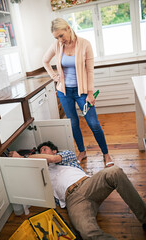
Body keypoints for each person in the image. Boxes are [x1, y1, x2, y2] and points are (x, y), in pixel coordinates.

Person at [9, 141, 146, 240]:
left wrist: (23, 157)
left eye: (44, 149)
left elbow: (51, 159)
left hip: (88, 185)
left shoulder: (66, 156)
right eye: (40, 152)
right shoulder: (41, 173)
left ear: (54, 150)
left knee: (114, 171)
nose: (41, 153)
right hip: (73, 201)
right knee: (87, 233)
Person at [42, 17, 113, 166]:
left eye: (61, 36)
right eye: (56, 37)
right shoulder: (57, 45)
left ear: (68, 28)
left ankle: (106, 154)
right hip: (64, 92)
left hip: (82, 92)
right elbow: (45, 60)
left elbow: (90, 71)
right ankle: (82, 152)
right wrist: (54, 77)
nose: (60, 40)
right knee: (73, 123)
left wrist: (90, 93)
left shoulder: (85, 44)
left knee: (93, 123)